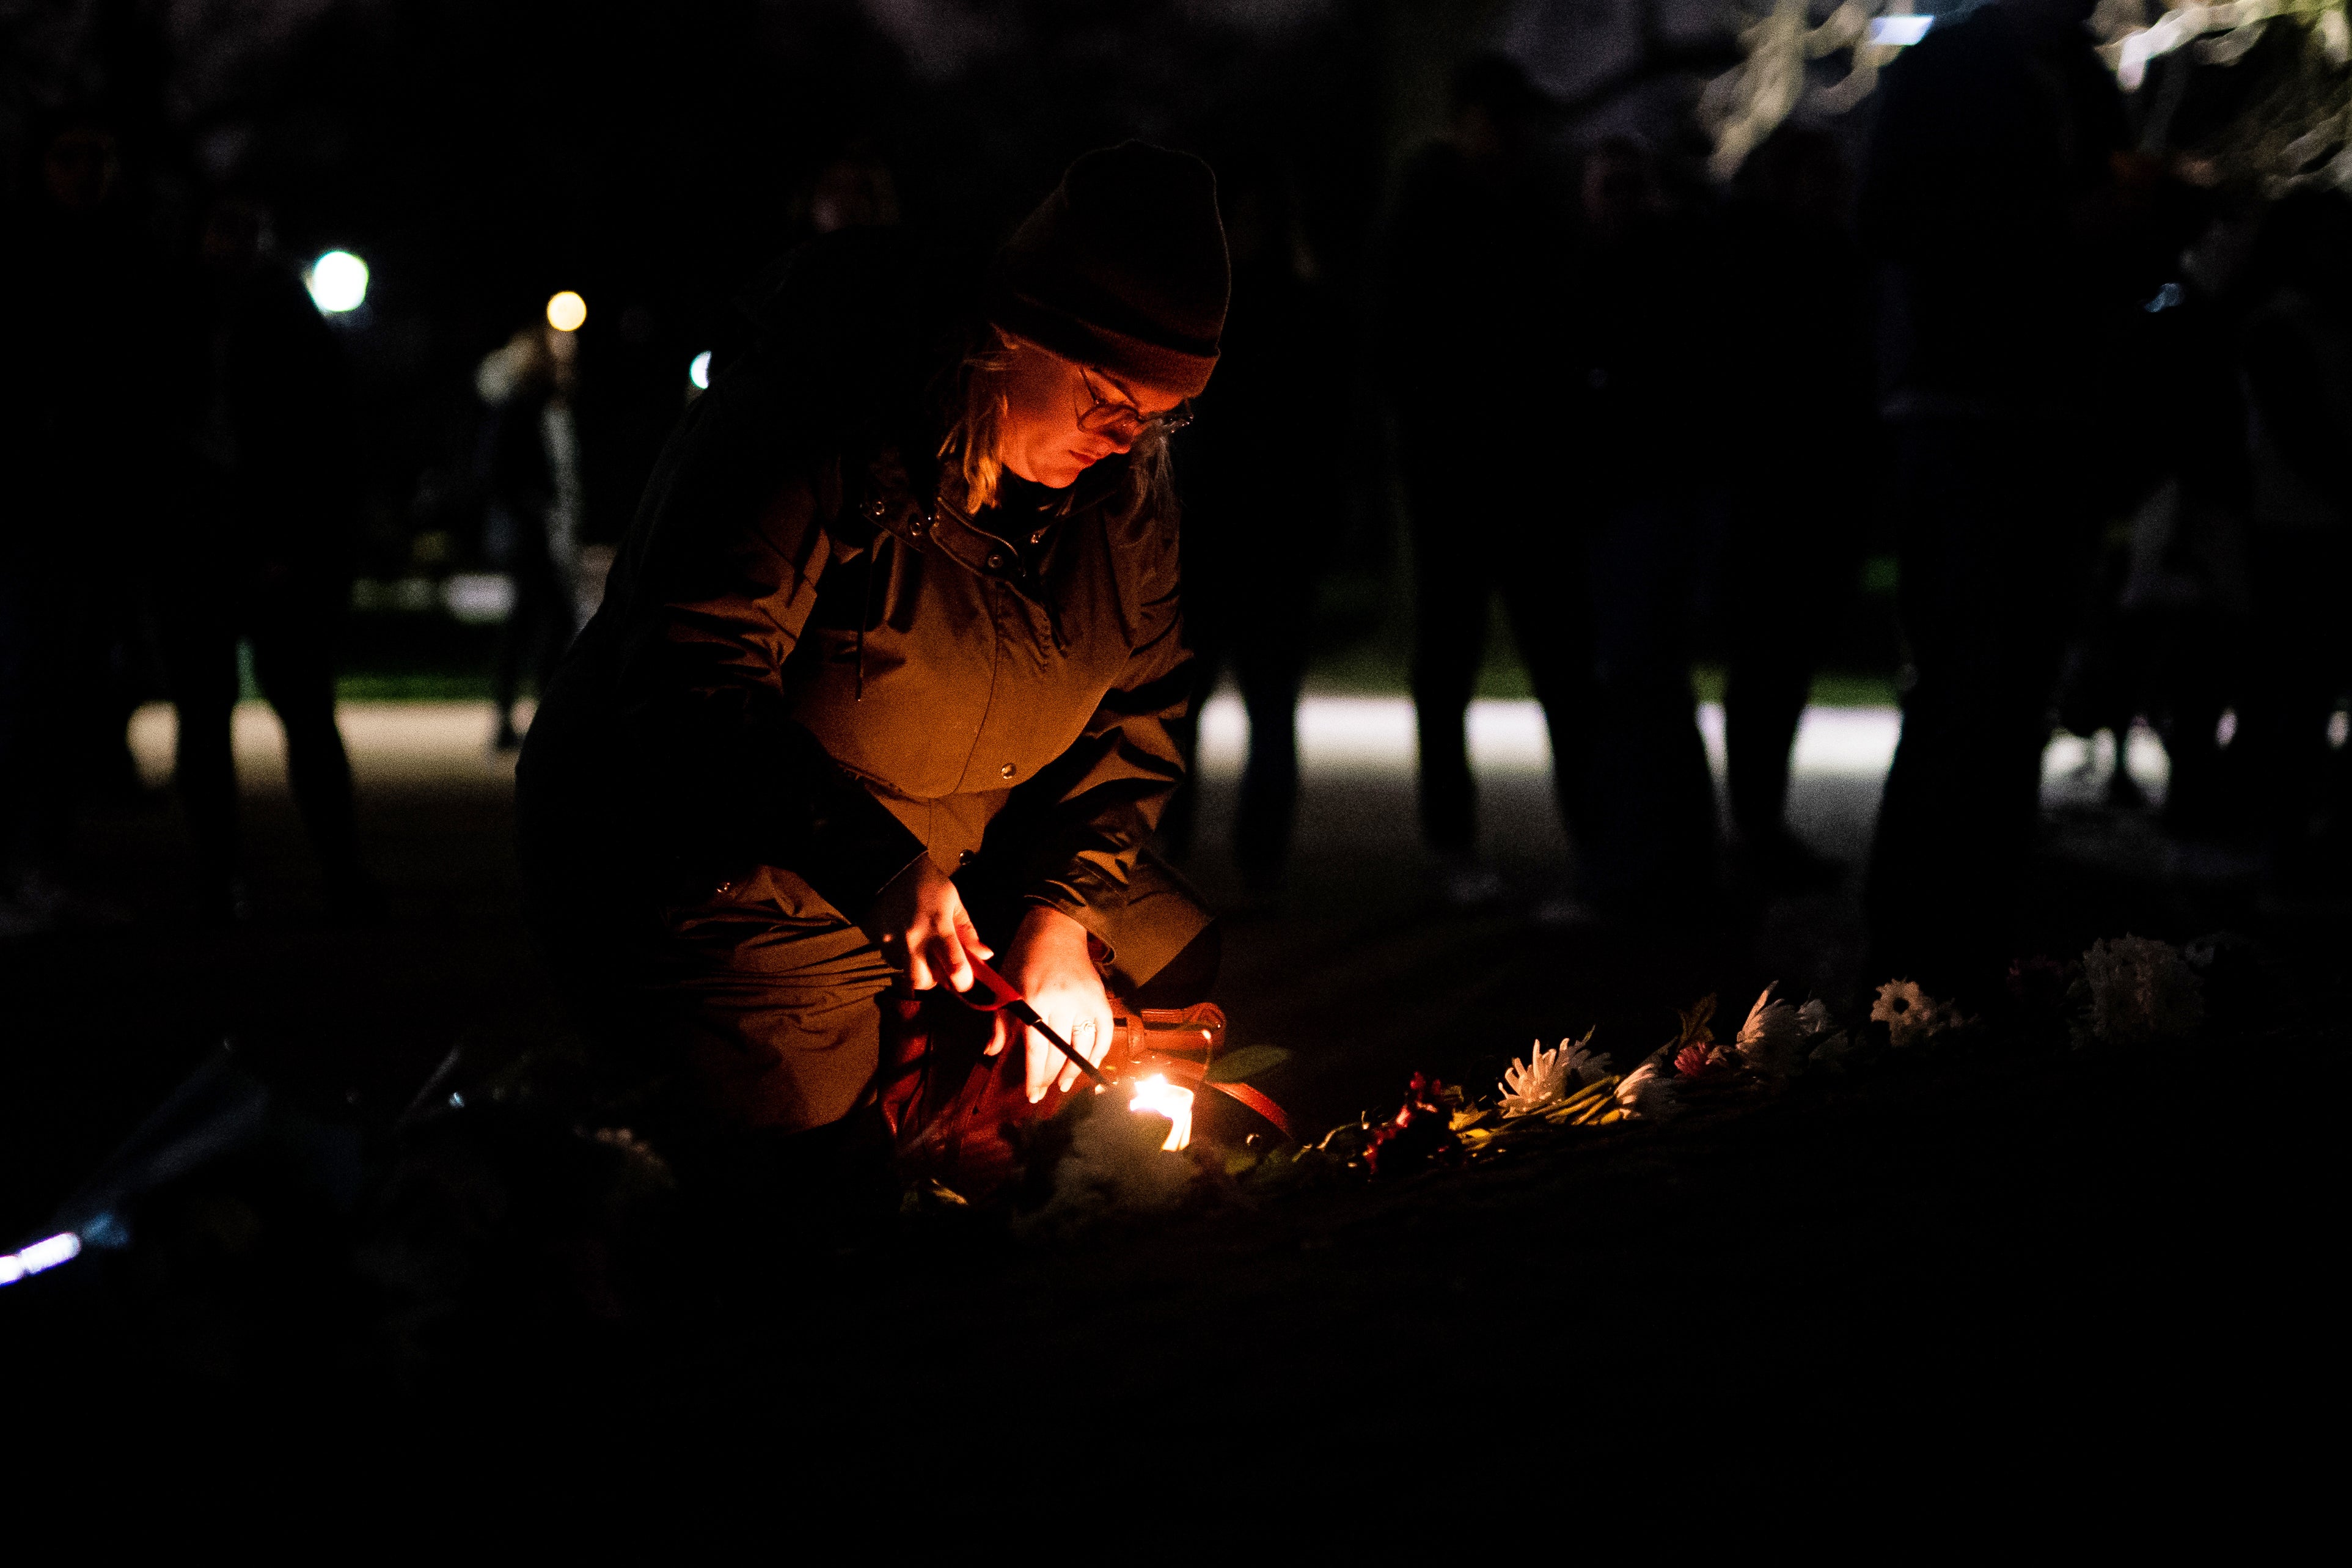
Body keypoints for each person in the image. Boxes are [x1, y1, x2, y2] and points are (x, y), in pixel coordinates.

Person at [516, 143, 1227, 1214]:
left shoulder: (1123, 498)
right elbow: (685, 679)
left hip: (949, 852)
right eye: (1103, 392)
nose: (1124, 436)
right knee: (804, 1169)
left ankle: (974, 1119)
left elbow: (1138, 718)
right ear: (1011, 334)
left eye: (1157, 414)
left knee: (1158, 968)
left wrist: (1059, 913)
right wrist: (879, 866)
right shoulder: (816, 419)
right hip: (726, 860)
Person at [1857, 0, 2136, 996]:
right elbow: (1889, 216)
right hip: (1966, 404)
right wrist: (2059, 228)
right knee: (1958, 684)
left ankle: (1972, 945)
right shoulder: (1952, 68)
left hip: (2047, 409)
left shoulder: (2076, 74)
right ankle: (1905, 955)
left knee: (2011, 689)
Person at [1379, 53, 1595, 910]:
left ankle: (1584, 839)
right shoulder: (1432, 204)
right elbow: (1399, 341)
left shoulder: (1533, 202)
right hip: (1462, 473)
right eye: (1499, 117)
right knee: (1453, 664)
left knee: (1561, 668)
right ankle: (1455, 842)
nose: (1512, 134)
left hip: (1525, 470)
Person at [158, 196, 373, 921]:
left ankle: (328, 872)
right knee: (222, 715)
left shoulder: (280, 315)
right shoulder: (186, 314)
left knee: (295, 711)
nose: (233, 245)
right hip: (205, 543)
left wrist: (292, 541)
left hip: (260, 543)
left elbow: (325, 442)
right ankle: (232, 877)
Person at [1158, 152, 1336, 892]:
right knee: (1188, 708)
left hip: (1258, 531)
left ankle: (1236, 857)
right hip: (1217, 530)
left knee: (1248, 707)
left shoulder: (1282, 308)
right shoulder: (1220, 309)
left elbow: (1325, 430)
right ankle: (1179, 855)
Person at [1566, 135, 1723, 918]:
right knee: (1650, 687)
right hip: (1632, 501)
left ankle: (1643, 866)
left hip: (1640, 501)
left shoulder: (1648, 275)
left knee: (1639, 686)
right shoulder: (1645, 271)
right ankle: (1675, 860)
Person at [1717, 124, 1876, 888]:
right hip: (1779, 491)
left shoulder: (1816, 260)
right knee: (1769, 665)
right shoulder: (1781, 260)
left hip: (1801, 490)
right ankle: (1754, 823)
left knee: (1777, 666)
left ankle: (1757, 820)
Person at [475, 322, 584, 752]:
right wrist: (535, 508)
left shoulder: (546, 406)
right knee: (554, 621)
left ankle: (515, 720)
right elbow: (493, 472)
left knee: (528, 624)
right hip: (529, 535)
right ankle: (543, 718)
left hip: (537, 532)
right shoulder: (521, 405)